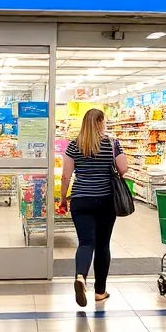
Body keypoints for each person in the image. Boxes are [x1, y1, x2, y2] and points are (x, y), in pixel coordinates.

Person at [59, 108, 127, 307]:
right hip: (106, 200)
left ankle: (81, 276)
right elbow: (123, 169)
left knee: (86, 242)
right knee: (103, 244)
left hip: (81, 200)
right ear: (101, 122)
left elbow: (66, 175)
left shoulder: (73, 145)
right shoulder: (112, 144)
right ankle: (100, 291)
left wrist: (63, 198)